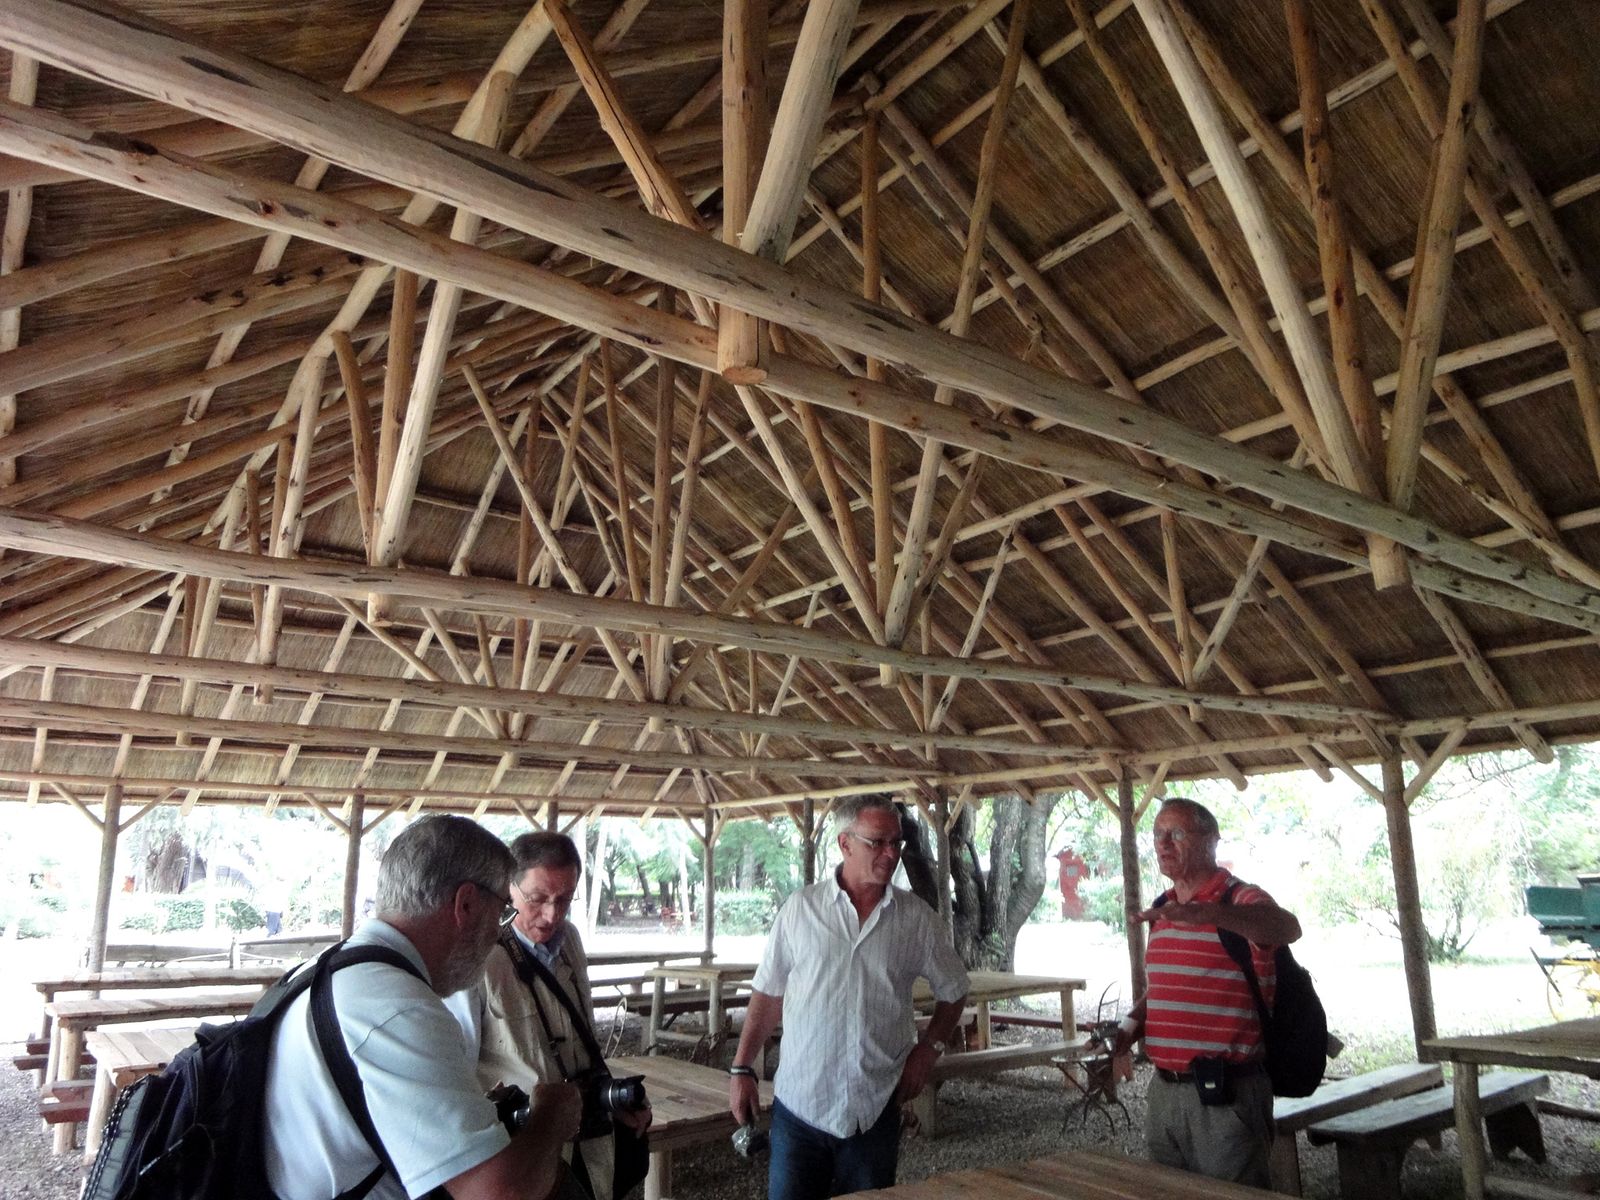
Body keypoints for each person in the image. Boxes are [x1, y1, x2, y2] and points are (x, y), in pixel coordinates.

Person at [262, 814, 581, 1200]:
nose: (498, 931)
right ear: (465, 904)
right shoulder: (401, 1008)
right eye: (501, 913)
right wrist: (550, 1119)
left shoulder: (323, 970)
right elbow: (497, 1194)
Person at [727, 794, 969, 1200]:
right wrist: (741, 1068)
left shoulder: (916, 920)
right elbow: (768, 994)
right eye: (878, 842)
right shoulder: (801, 911)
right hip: (800, 1107)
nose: (891, 853)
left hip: (874, 1107)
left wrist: (929, 1049)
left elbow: (955, 988)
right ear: (845, 844)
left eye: (896, 842)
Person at [448, 833, 652, 1200]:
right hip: (523, 1154)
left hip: (589, 1144)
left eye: (564, 900)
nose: (551, 915)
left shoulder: (570, 940)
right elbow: (457, 1076)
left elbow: (584, 1038)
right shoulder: (478, 957)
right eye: (538, 899)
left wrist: (611, 1099)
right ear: (509, 888)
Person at [1115, 798, 1303, 1188]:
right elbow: (1165, 990)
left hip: (1226, 1095)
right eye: (1158, 834)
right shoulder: (1164, 908)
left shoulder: (1239, 898)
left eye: (1177, 833)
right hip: (1164, 1094)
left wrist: (1209, 913)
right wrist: (1126, 1030)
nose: (1163, 843)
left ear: (1211, 840)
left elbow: (1286, 927)